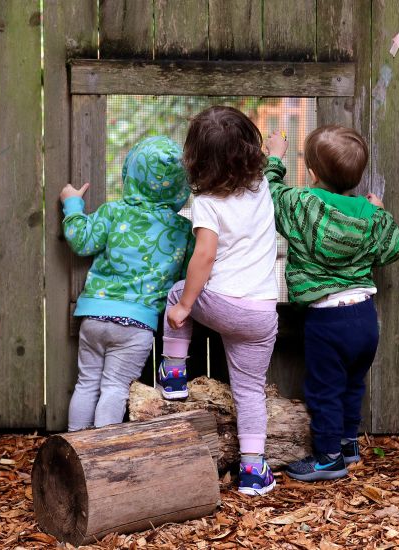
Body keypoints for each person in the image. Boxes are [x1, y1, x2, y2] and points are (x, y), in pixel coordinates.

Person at [264, 125, 399, 481]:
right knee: (352, 384)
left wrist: (275, 157)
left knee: (324, 389)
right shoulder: (369, 214)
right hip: (363, 317)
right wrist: (382, 213)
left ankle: (328, 458)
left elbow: (268, 194)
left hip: (327, 319)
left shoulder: (303, 205)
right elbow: (394, 247)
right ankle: (348, 444)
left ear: (312, 173)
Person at [159, 106, 279, 496]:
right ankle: (252, 471)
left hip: (224, 304)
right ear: (249, 151)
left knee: (178, 293)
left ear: (196, 159)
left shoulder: (207, 203)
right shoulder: (261, 185)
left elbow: (204, 256)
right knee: (249, 391)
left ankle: (174, 377)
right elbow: (270, 166)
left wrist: (185, 305)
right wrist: (276, 152)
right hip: (261, 314)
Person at [61, 136, 192, 431]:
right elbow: (190, 274)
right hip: (136, 325)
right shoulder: (183, 230)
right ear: (181, 185)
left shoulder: (113, 212)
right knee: (115, 387)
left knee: (86, 384)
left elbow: (81, 241)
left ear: (131, 173)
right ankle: (102, 455)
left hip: (94, 316)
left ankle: (74, 448)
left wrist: (72, 203)